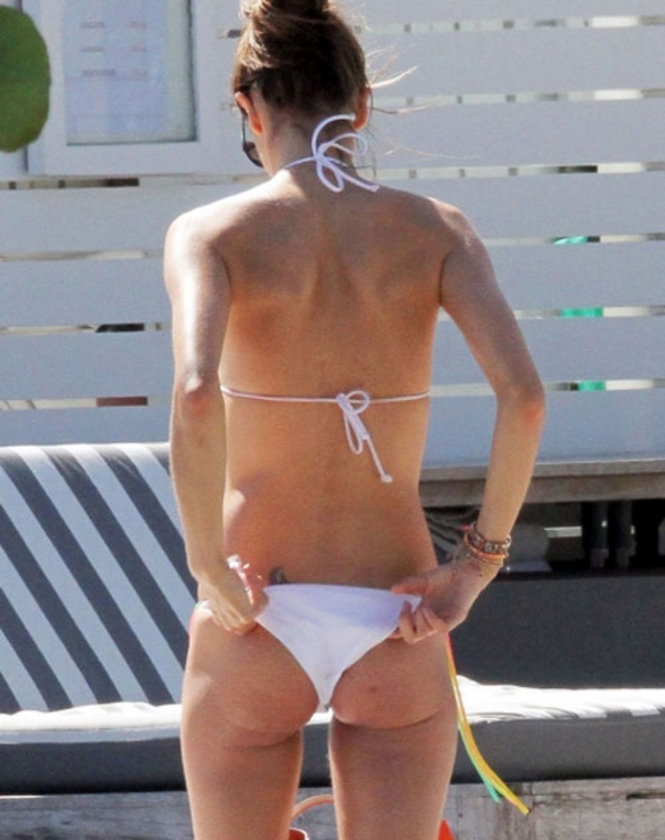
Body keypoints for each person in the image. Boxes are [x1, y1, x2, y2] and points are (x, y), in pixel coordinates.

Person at [165, 1, 546, 837]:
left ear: (248, 108)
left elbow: (194, 394)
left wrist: (207, 566)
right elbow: (524, 397)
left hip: (258, 603)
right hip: (396, 610)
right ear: (361, 106)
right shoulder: (435, 230)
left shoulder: (211, 233)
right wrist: (474, 566)